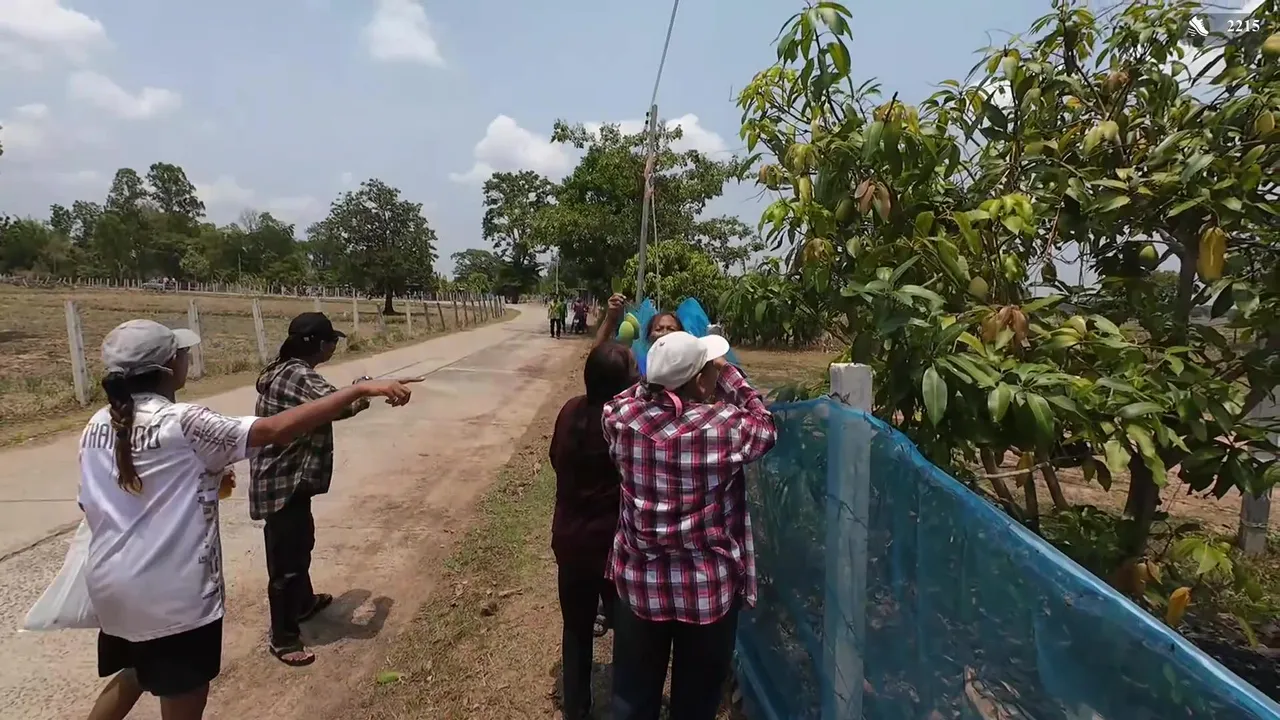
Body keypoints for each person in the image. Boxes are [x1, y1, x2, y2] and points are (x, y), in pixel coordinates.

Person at [80, 319, 413, 720]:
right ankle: (285, 632)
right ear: (169, 367)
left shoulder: (98, 425)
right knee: (184, 692)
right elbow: (273, 430)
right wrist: (360, 389)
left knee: (135, 671)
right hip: (170, 595)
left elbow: (93, 503)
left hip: (112, 587)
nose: (187, 359)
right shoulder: (184, 421)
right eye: (183, 354)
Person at [603, 331, 777, 720]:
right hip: (705, 590)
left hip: (641, 586)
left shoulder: (620, 421)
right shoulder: (725, 427)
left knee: (632, 699)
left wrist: (653, 383)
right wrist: (729, 375)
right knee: (696, 703)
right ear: (700, 382)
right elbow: (765, 426)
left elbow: (621, 401)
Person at [250, 312, 407, 666]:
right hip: (281, 482)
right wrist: (369, 388)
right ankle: (283, 637)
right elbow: (339, 406)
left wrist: (366, 386)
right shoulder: (297, 374)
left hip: (290, 479)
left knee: (301, 543)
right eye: (332, 341)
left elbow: (332, 400)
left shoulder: (288, 369)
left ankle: (303, 604)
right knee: (286, 563)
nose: (334, 346)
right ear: (320, 345)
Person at [549, 342, 638, 720]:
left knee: (576, 629)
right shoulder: (625, 424)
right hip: (612, 547)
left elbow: (555, 458)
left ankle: (576, 709)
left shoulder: (570, 410)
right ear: (624, 385)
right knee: (628, 633)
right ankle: (626, 705)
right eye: (634, 371)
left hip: (570, 541)